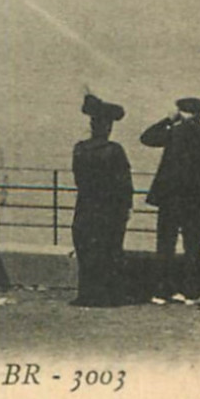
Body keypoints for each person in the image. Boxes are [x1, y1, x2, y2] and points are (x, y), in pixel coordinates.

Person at [140, 96, 200, 305]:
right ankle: (191, 292)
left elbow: (146, 138)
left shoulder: (173, 133)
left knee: (165, 245)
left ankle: (161, 291)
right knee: (193, 246)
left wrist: (167, 120)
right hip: (197, 200)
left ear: (181, 113)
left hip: (170, 199)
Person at [70, 94, 134, 307]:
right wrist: (126, 208)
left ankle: (87, 293)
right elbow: (125, 184)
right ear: (107, 127)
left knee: (86, 250)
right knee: (110, 250)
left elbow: (78, 180)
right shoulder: (114, 151)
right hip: (109, 209)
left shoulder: (79, 149)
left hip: (85, 207)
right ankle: (109, 295)